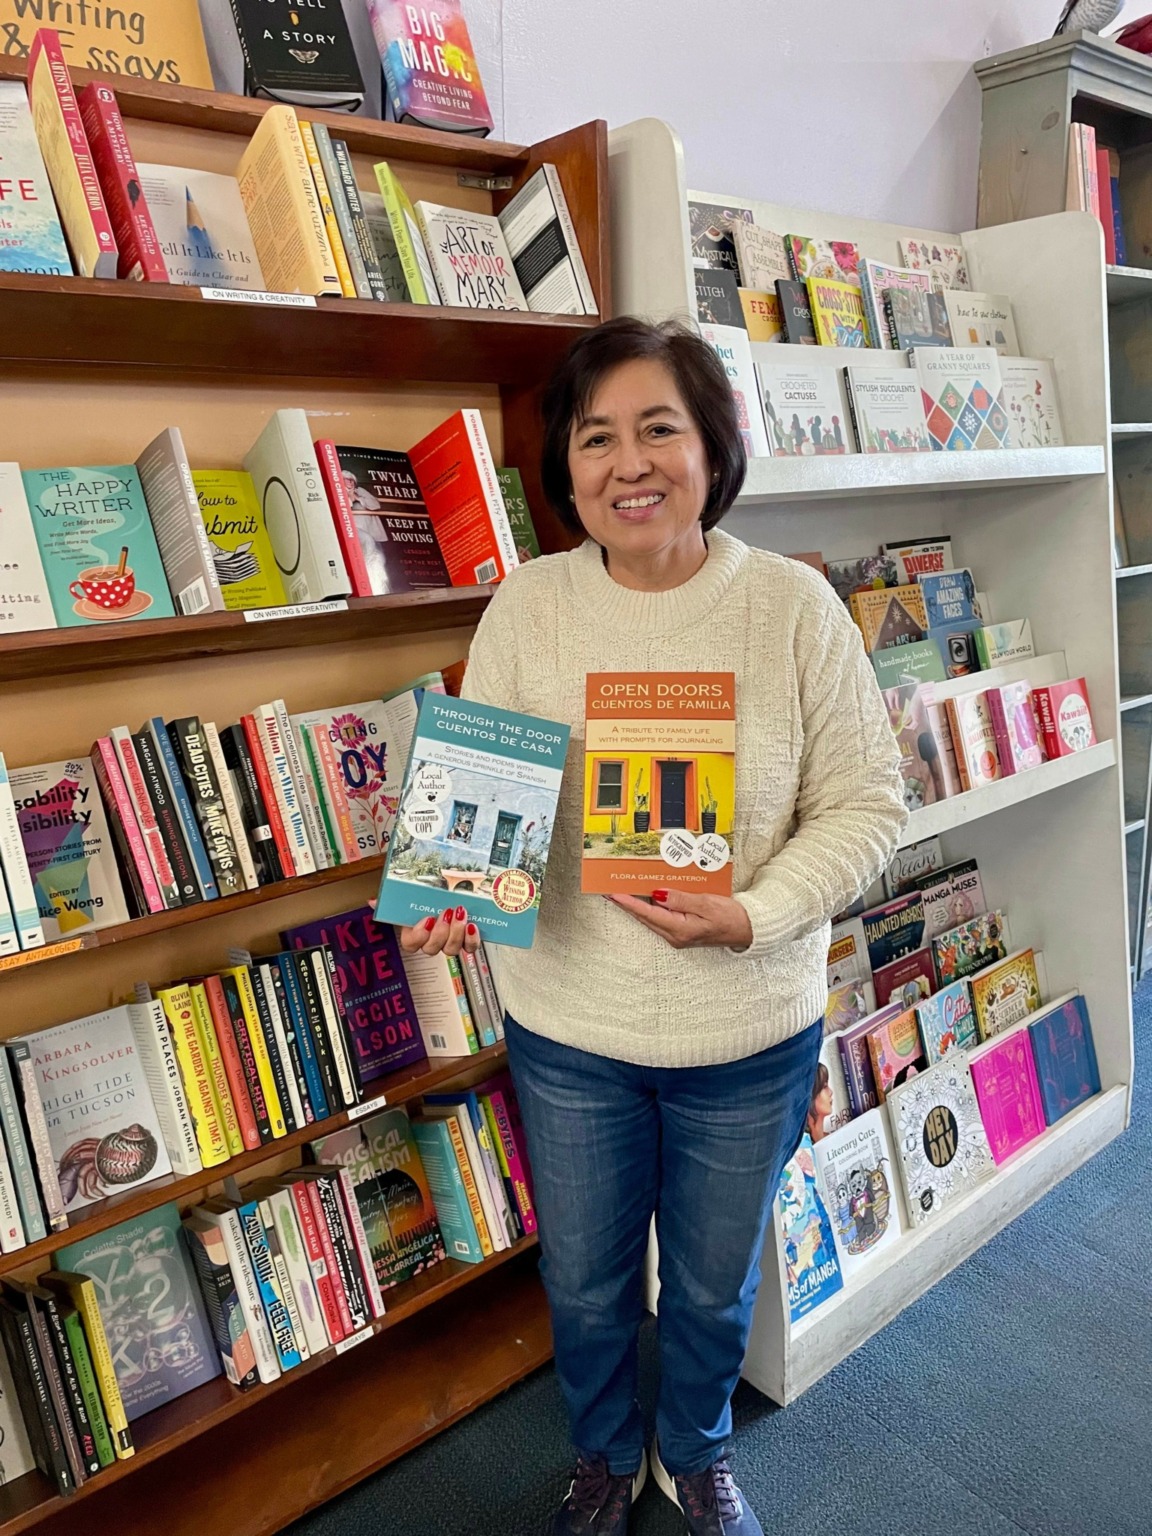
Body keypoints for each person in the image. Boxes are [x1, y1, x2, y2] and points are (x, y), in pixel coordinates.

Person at [399, 317, 907, 1536]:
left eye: (658, 429)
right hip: (572, 1029)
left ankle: (695, 1453)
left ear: (712, 447)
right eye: (596, 438)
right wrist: (461, 885)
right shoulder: (529, 606)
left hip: (749, 1033)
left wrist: (753, 914)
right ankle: (604, 1454)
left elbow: (870, 807)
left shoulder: (791, 607)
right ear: (566, 470)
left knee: (714, 1288)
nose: (629, 463)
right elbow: (487, 796)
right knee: (583, 1283)